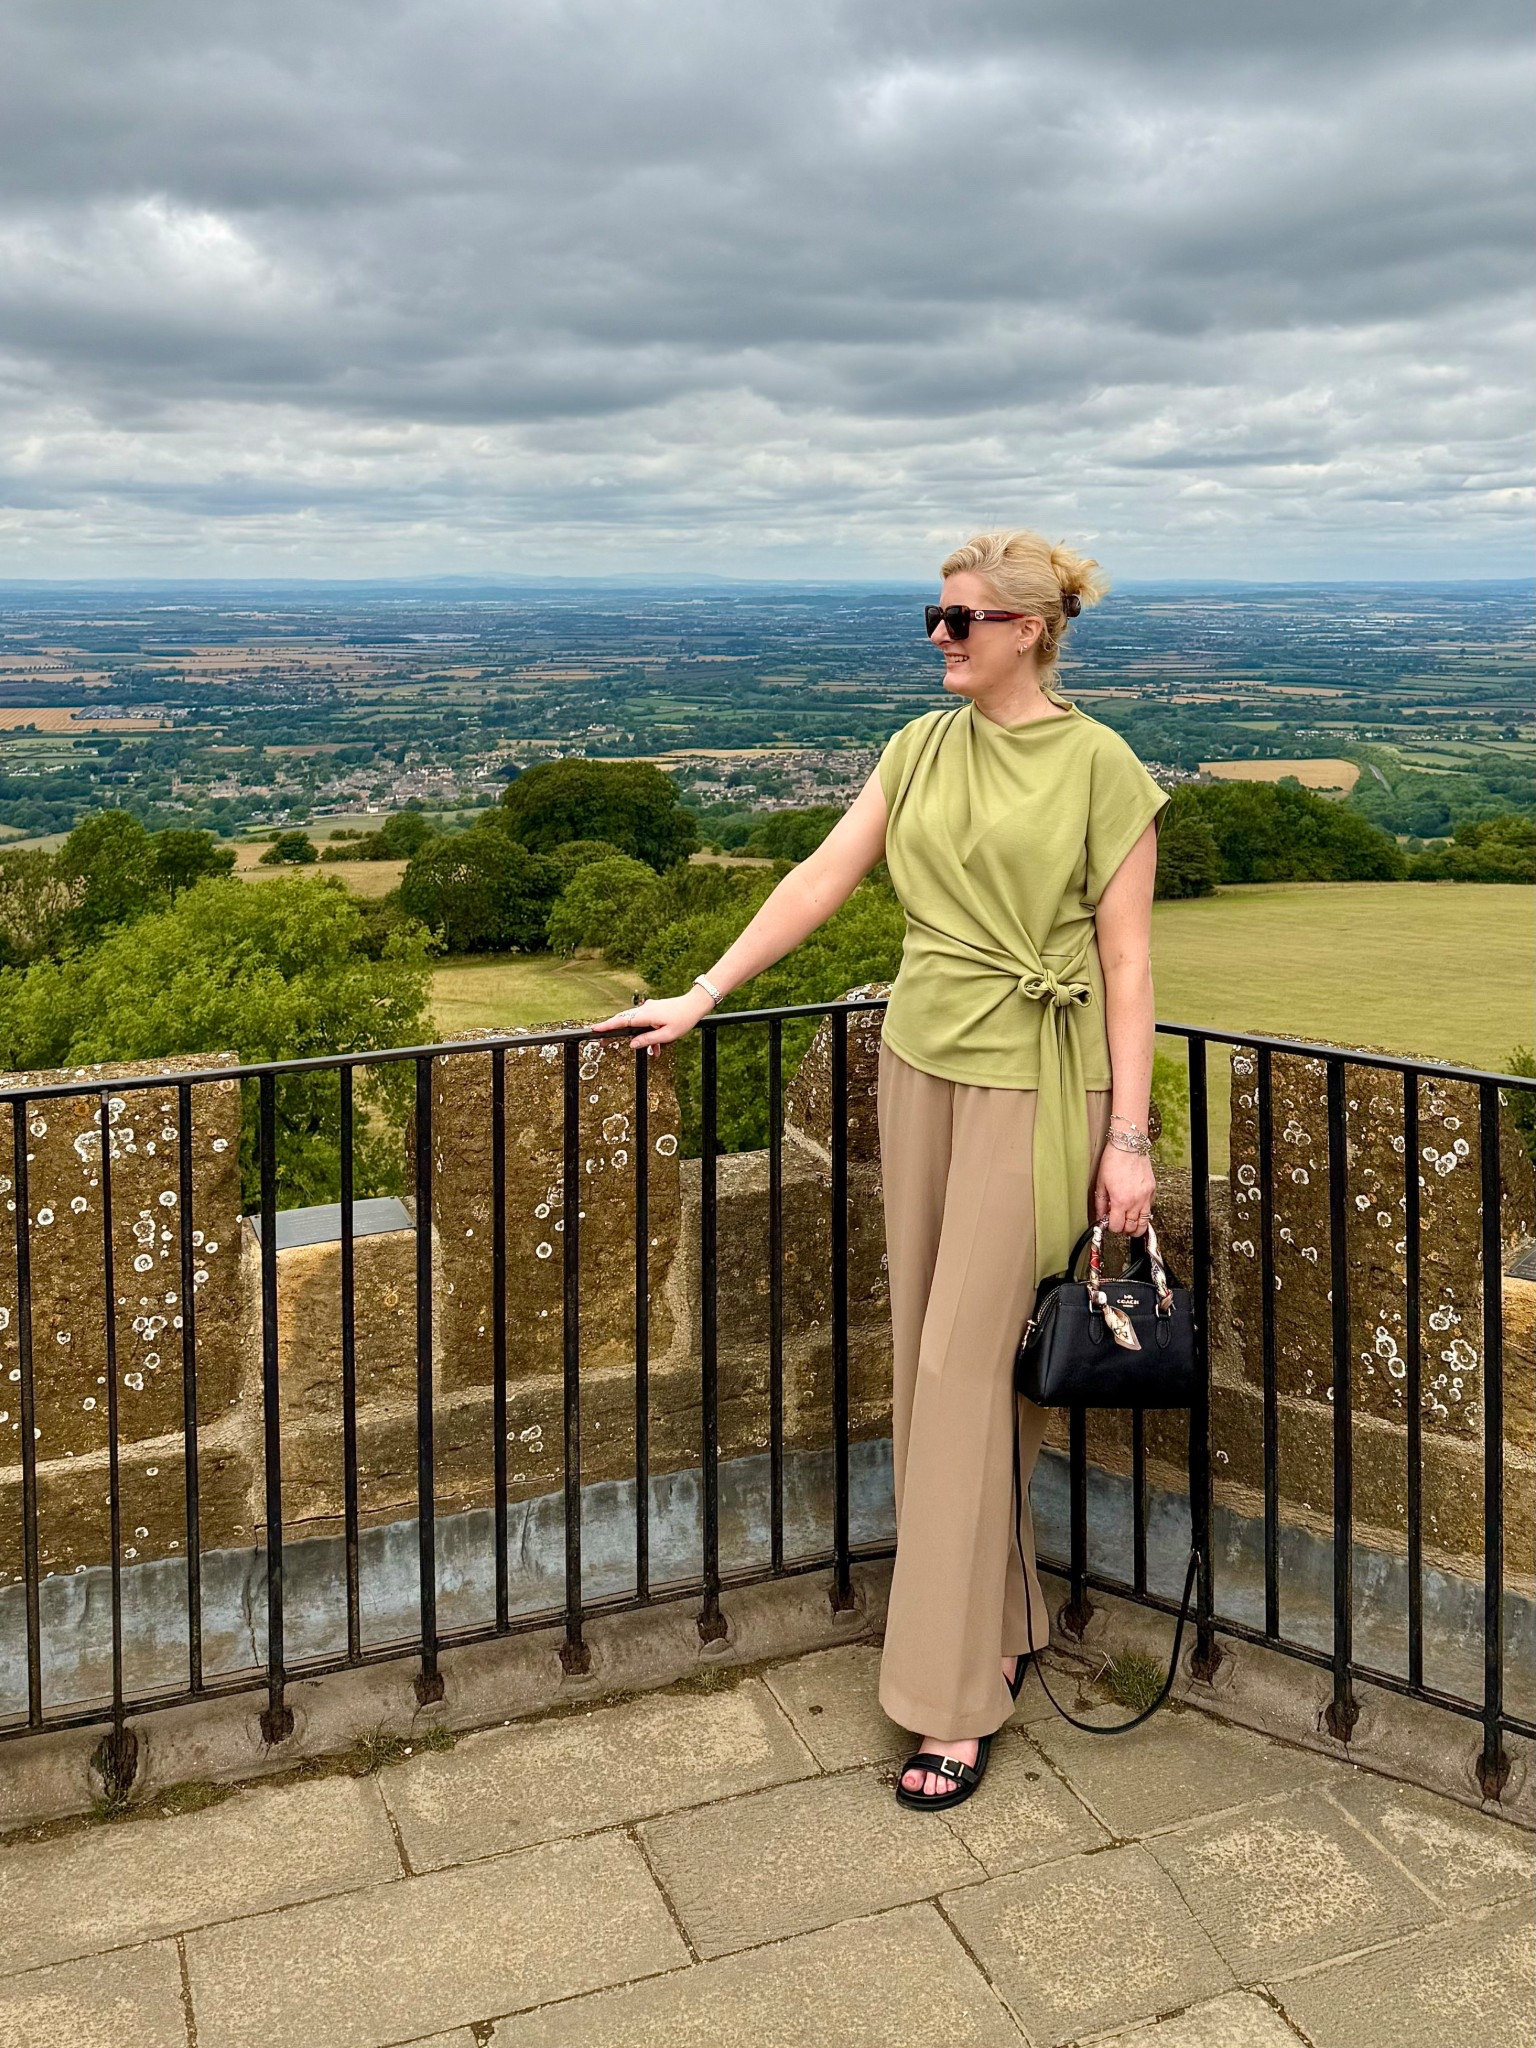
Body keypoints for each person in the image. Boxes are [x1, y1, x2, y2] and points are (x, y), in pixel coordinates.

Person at [587, 529, 1169, 1812]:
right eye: (935, 616)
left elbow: (1129, 966)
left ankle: (954, 1699)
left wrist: (1130, 1139)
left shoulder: (1101, 767)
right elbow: (820, 877)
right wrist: (704, 990)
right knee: (928, 1364)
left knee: (968, 1378)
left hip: (1037, 1081)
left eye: (962, 620)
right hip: (920, 1068)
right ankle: (1001, 1620)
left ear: (1029, 629)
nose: (939, 638)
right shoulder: (916, 750)